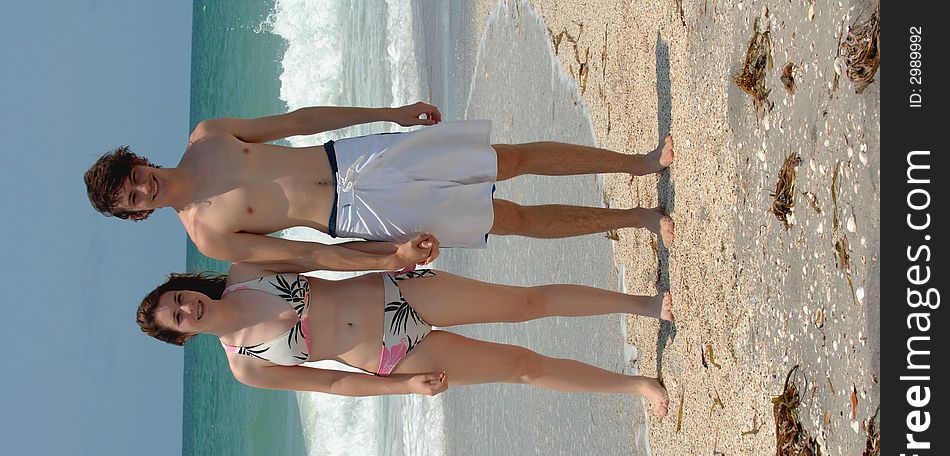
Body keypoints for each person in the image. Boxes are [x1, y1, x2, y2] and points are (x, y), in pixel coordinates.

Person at [86, 102, 675, 270]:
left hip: (355, 155)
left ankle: (640, 163)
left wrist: (388, 113)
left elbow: (298, 123)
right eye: (135, 199)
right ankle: (638, 220)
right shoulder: (208, 236)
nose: (146, 188)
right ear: (138, 214)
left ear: (139, 161)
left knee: (508, 159)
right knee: (507, 219)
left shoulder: (208, 135)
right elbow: (305, 254)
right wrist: (387, 259)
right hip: (357, 217)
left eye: (136, 177)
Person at [136, 260, 674, 415]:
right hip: (395, 355)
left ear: (185, 288)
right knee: (522, 366)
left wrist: (394, 257)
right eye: (178, 318)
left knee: (525, 302)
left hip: (397, 291)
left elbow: (323, 256)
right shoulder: (247, 366)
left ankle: (645, 304)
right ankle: (637, 386)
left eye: (178, 298)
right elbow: (334, 386)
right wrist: (405, 388)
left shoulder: (243, 270)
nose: (187, 307)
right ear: (183, 337)